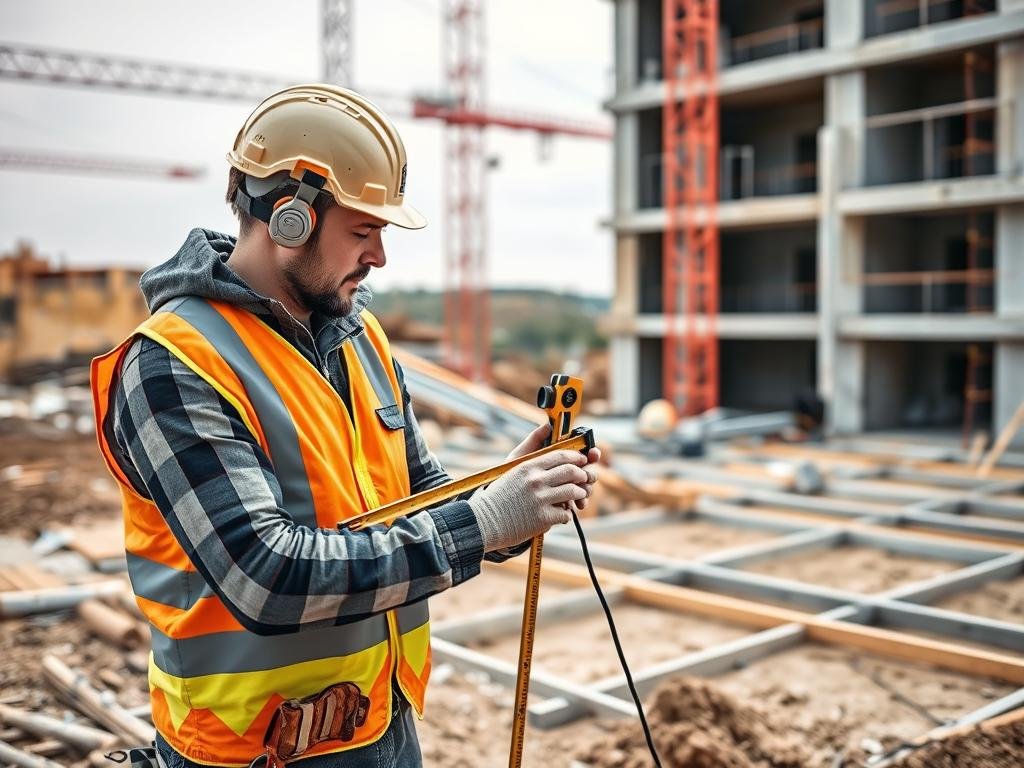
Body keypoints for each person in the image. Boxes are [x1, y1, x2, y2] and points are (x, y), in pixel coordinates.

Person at [90, 84, 599, 768]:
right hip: (253, 753)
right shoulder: (174, 365)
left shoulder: (358, 339)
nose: (380, 257)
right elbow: (265, 577)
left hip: (378, 725)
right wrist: (482, 525)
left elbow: (414, 499)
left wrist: (513, 491)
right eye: (364, 231)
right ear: (290, 217)